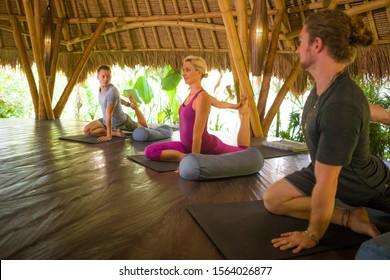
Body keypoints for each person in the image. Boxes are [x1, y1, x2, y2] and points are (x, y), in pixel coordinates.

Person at [263, 9, 390, 253]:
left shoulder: (341, 103)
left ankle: (350, 214)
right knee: (273, 199)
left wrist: (312, 235)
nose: (297, 48)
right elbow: (367, 110)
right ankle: (348, 217)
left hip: (365, 185)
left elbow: (327, 183)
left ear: (317, 45)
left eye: (301, 41)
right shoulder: (328, 86)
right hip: (325, 170)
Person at [144, 56, 250, 162]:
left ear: (199, 72)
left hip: (206, 146)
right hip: (186, 146)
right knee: (150, 151)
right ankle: (183, 157)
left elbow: (197, 135)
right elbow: (218, 103)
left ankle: (246, 114)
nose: (184, 73)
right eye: (184, 70)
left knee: (243, 152)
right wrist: (236, 106)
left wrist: (193, 162)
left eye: (188, 70)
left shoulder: (202, 97)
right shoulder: (191, 95)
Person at [84, 65, 148, 142]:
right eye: (103, 76)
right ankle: (115, 132)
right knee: (87, 131)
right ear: (98, 77)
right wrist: (128, 104)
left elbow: (109, 114)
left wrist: (108, 136)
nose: (106, 79)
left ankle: (135, 108)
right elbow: (118, 99)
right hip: (106, 120)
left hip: (121, 122)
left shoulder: (112, 92)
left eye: (108, 76)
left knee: (145, 128)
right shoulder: (100, 88)